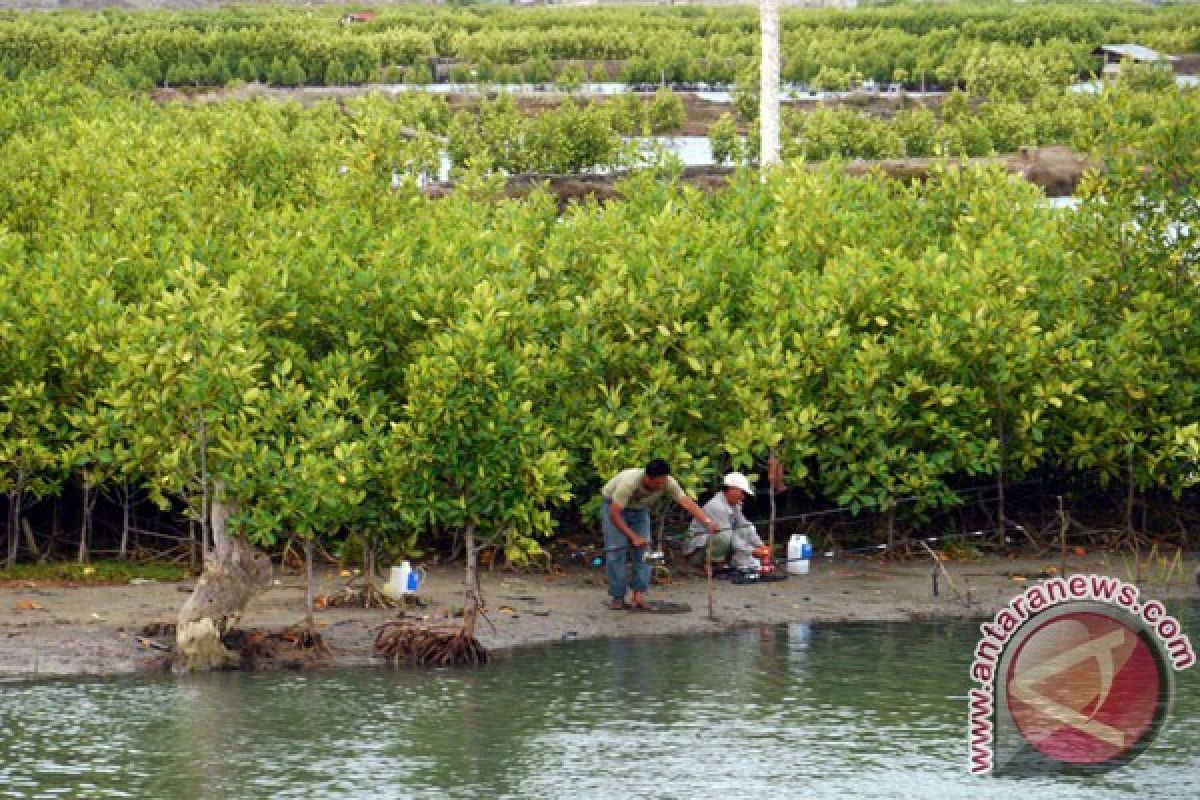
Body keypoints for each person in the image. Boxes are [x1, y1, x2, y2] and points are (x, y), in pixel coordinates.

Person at [601, 459, 719, 610]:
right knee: (616, 550)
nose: (661, 486)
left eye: (663, 482)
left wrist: (708, 522)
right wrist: (633, 537)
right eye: (657, 484)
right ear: (647, 478)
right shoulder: (629, 483)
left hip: (639, 509)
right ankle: (617, 597)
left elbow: (686, 502)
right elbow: (614, 514)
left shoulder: (668, 482)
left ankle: (639, 594)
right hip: (613, 506)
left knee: (646, 552)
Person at [683, 472, 767, 571]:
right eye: (742, 492)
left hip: (711, 546)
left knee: (745, 529)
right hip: (696, 554)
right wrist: (753, 551)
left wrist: (762, 546)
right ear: (732, 489)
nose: (743, 497)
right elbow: (730, 537)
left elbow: (745, 526)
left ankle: (720, 562)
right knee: (724, 535)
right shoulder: (718, 506)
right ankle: (712, 564)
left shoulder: (734, 505)